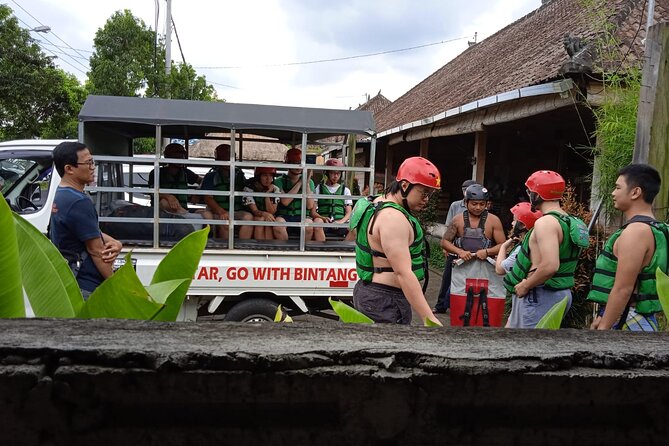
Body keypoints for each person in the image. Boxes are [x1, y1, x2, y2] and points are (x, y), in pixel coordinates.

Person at [350, 156, 442, 325]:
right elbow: (403, 274)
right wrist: (429, 318)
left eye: (430, 194)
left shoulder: (377, 202)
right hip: (384, 300)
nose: (427, 200)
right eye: (424, 193)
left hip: (371, 293)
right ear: (405, 186)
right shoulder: (393, 219)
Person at [503, 170, 589, 328]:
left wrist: (526, 285)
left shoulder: (546, 223)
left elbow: (550, 265)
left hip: (540, 293)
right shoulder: (571, 222)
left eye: (530, 192)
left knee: (528, 348)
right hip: (561, 292)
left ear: (536, 194)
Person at [589, 164, 668, 331]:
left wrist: (603, 329)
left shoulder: (635, 232)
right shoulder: (657, 229)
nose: (613, 193)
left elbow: (623, 289)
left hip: (629, 319)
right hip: (641, 318)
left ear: (635, 192)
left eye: (618, 187)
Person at [50, 141, 123, 298]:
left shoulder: (63, 193)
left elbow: (89, 231)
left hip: (74, 280)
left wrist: (116, 242)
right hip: (86, 285)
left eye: (93, 162)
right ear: (69, 169)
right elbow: (96, 251)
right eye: (88, 163)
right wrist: (117, 285)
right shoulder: (78, 201)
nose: (93, 167)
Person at [433, 179, 479, 313]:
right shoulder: (455, 205)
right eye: (464, 189)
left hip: (472, 252)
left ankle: (459, 305)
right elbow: (448, 227)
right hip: (455, 249)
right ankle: (441, 305)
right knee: (447, 277)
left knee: (465, 280)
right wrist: (445, 246)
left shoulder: (479, 206)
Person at [494, 202, 543, 328]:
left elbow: (499, 269)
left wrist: (503, 247)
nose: (511, 223)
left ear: (522, 225)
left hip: (526, 297)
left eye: (514, 221)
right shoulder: (538, 243)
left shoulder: (522, 249)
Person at [201, 144, 253, 239]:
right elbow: (208, 198)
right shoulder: (211, 176)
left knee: (248, 218)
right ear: (218, 159)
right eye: (224, 157)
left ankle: (243, 248)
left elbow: (247, 190)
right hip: (217, 212)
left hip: (236, 211)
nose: (227, 160)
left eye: (229, 157)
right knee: (225, 221)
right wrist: (221, 212)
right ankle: (225, 248)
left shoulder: (239, 175)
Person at [148, 143, 210, 222]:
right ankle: (186, 216)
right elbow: (152, 191)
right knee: (164, 202)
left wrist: (198, 191)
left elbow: (203, 181)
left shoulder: (185, 172)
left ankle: (187, 217)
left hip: (184, 210)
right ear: (168, 156)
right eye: (177, 154)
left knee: (207, 214)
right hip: (161, 212)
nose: (181, 157)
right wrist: (168, 197)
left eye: (182, 154)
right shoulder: (156, 172)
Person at [274, 148, 325, 241]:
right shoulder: (279, 181)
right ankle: (285, 253)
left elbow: (309, 205)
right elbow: (285, 202)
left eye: (299, 163)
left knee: (308, 226)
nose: (298, 167)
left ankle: (304, 253)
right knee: (278, 225)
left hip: (302, 216)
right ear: (288, 164)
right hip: (284, 216)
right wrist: (300, 182)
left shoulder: (310, 182)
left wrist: (306, 182)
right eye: (294, 163)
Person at [242, 166, 287, 240]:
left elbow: (272, 211)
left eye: (270, 175)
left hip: (269, 216)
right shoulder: (249, 189)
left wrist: (267, 194)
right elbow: (255, 211)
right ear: (258, 176)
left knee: (269, 220)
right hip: (255, 217)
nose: (268, 178)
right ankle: (260, 247)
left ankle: (268, 249)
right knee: (260, 219)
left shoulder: (275, 189)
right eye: (265, 175)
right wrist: (264, 214)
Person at [312, 158, 353, 239]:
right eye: (332, 173)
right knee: (317, 223)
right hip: (324, 222)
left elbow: (349, 213)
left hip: (339, 222)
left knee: (355, 229)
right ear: (327, 173)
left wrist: (340, 222)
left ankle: (342, 249)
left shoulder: (345, 190)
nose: (336, 176)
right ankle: (321, 248)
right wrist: (323, 218)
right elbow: (312, 212)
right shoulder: (319, 189)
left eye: (338, 173)